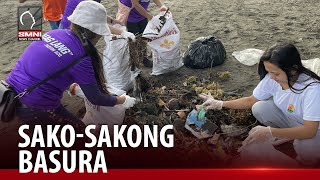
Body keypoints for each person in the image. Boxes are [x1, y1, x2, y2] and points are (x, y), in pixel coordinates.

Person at [6, 1, 136, 133]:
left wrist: (74, 87)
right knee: (78, 135)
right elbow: (96, 98)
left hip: (11, 94)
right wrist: (123, 100)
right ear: (96, 34)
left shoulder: (55, 33)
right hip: (35, 106)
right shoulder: (81, 57)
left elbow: (51, 68)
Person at [199, 43, 320, 166]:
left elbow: (310, 131)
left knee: (306, 147)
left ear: (293, 69)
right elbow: (251, 100)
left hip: (314, 129)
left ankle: (304, 164)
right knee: (259, 108)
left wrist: (270, 132)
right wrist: (220, 103)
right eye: (269, 72)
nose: (271, 77)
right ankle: (288, 136)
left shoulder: (312, 89)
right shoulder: (272, 78)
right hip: (293, 119)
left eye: (276, 73)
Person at [119, 0, 168, 68]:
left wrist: (162, 6)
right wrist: (150, 17)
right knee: (133, 42)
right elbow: (136, 4)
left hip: (142, 15)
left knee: (143, 37)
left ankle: (143, 59)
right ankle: (133, 64)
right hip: (129, 16)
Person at [59, 0, 135, 41]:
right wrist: (123, 33)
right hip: (71, 28)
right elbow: (97, 24)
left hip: (78, 25)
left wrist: (114, 21)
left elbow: (95, 13)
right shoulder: (84, 2)